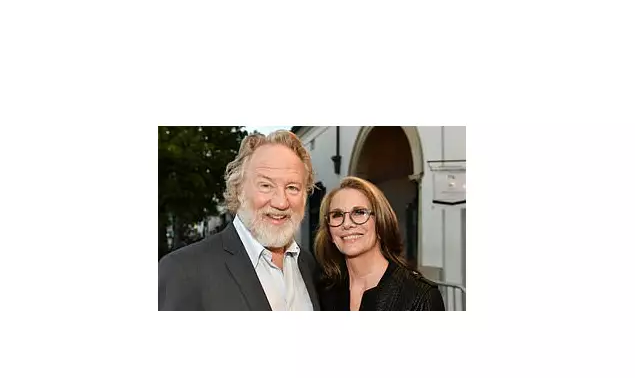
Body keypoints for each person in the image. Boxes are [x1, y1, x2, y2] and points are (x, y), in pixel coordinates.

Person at [158, 130, 321, 311]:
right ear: (239, 191)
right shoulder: (183, 271)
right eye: (266, 185)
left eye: (292, 187)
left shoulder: (309, 266)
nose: (281, 202)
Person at [314, 176, 445, 311]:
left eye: (359, 212)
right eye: (337, 215)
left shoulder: (421, 296)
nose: (346, 224)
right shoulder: (322, 292)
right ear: (329, 231)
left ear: (381, 223)